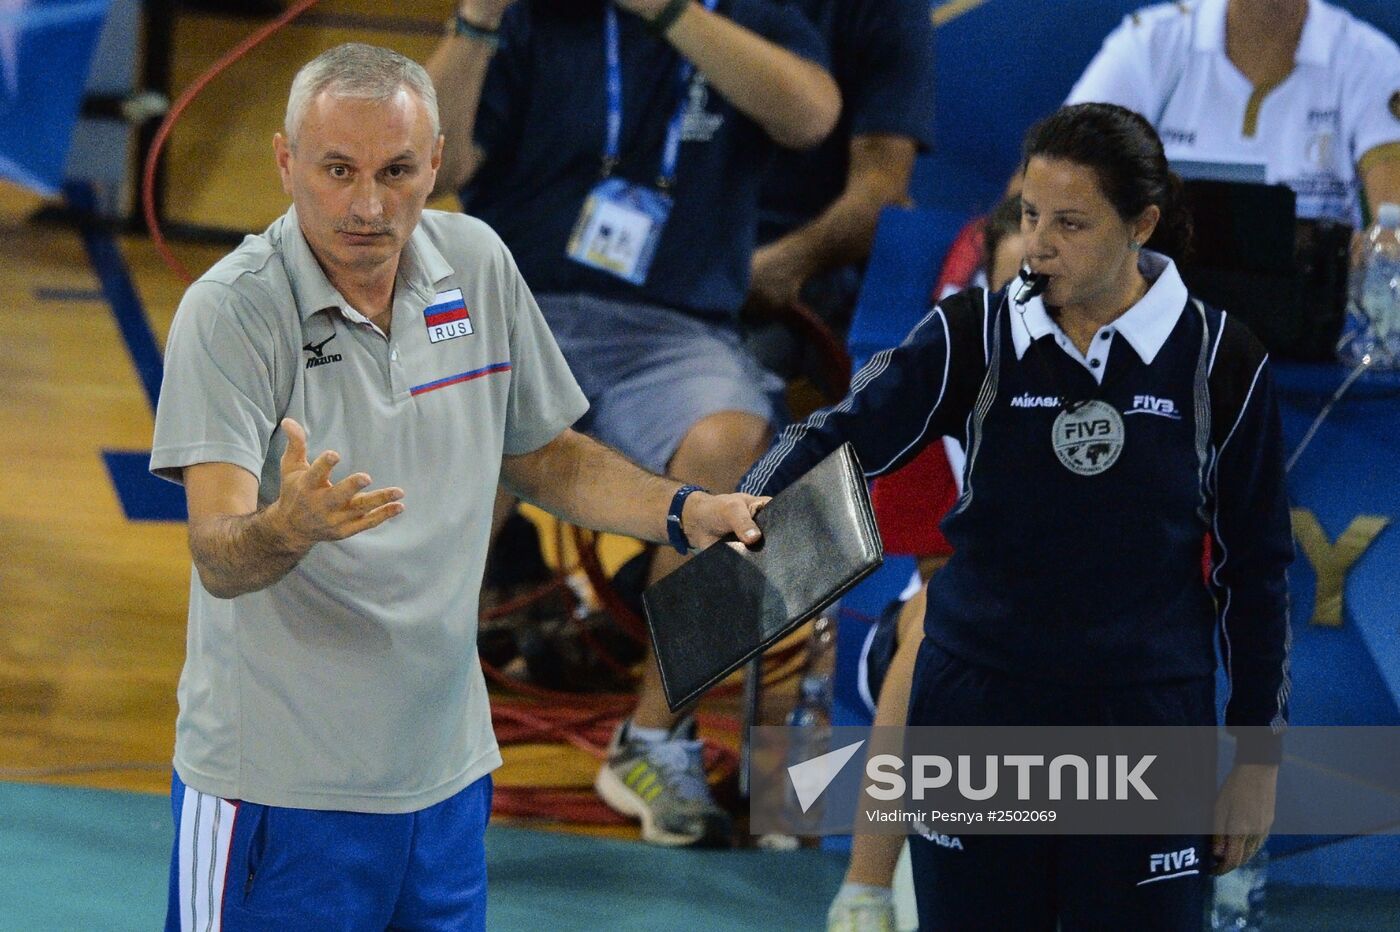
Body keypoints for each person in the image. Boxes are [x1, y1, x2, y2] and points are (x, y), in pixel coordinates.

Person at [149, 43, 768, 929]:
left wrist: (681, 511)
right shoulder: (232, 311)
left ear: (436, 163)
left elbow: (546, 454)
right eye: (337, 170)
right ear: (286, 164)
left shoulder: (474, 261)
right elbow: (218, 553)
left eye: (397, 170)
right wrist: (288, 526)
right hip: (276, 793)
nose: (367, 204)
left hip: (442, 785)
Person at [743, 103, 1292, 929]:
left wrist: (1256, 761)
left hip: (1143, 719)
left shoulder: (1221, 357)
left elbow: (1258, 570)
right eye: (1032, 215)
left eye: (1071, 223)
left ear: (1141, 224)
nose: (1038, 244)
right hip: (979, 704)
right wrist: (745, 498)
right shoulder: (976, 331)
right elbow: (847, 435)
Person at [426, 0, 839, 846]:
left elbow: (811, 115)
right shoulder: (534, 20)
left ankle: (656, 738)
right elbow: (433, 170)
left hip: (673, 330)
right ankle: (406, 721)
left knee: (733, 447)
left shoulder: (752, 14)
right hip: (517, 306)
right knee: (469, 437)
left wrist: (671, 12)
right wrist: (473, 22)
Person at [826, 196, 1027, 932]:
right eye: (1011, 294)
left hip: (1098, 645)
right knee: (942, 620)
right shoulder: (939, 396)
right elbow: (948, 573)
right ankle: (865, 890)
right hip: (963, 632)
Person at [1066, 0, 1400, 227]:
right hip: (1156, 299)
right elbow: (1052, 180)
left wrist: (1361, 256)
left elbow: (1394, 226)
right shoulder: (1150, 43)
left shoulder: (1371, 62)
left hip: (1308, 311)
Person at [744, 0, 935, 382]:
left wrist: (776, 269)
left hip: (791, 277)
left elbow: (880, 194)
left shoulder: (885, 11)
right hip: (661, 263)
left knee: (714, 407)